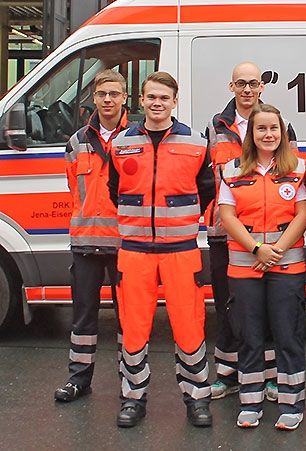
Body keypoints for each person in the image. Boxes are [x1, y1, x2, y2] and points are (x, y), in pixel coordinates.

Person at [108, 71, 215, 428]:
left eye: (164, 98)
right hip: (135, 250)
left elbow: (206, 191)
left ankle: (197, 399)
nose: (157, 104)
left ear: (175, 101)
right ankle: (133, 399)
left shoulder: (197, 142)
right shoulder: (121, 143)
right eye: (151, 97)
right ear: (142, 99)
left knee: (189, 326)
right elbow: (113, 189)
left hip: (180, 250)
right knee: (134, 328)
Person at [205, 62, 298, 401]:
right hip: (226, 234)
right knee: (229, 307)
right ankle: (228, 373)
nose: (247, 89)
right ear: (232, 87)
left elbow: (290, 175)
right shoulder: (217, 126)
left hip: (274, 240)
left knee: (270, 311)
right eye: (241, 83)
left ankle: (271, 376)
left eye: (253, 83)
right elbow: (206, 180)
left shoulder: (278, 125)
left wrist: (269, 245)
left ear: (262, 87)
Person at [219, 104, 306, 430]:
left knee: (288, 335)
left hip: (286, 266)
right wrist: (257, 248)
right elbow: (227, 216)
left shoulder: (299, 167)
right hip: (245, 268)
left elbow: (302, 214)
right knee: (250, 336)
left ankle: (292, 402)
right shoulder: (232, 170)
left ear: (282, 133)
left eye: (274, 128)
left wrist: (278, 249)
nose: (268, 134)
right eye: (261, 129)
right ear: (250, 134)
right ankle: (251, 400)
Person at [54, 69, 128, 402]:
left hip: (126, 244)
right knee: (83, 315)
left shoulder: (135, 139)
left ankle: (131, 381)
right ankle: (78, 379)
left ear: (125, 98)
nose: (108, 99)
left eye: (114, 93)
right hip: (85, 242)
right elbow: (75, 189)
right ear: (94, 98)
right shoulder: (76, 141)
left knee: (130, 318)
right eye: (102, 94)